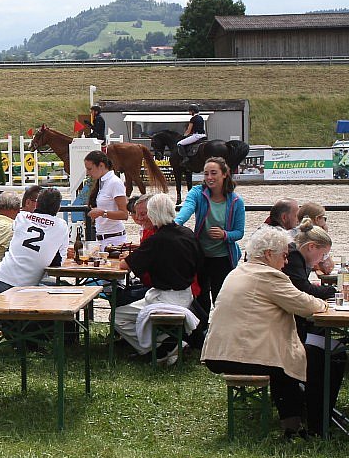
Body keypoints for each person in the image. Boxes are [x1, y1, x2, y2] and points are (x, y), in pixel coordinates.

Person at [202, 227, 327, 439]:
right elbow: (305, 305)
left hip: (218, 352)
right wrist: (325, 304)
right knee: (317, 357)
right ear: (269, 254)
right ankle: (315, 421)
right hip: (240, 355)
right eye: (284, 256)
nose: (286, 262)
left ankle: (294, 422)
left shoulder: (238, 271)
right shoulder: (268, 275)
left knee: (286, 358)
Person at [112, 193, 203, 364]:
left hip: (166, 298)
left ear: (154, 214)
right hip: (186, 294)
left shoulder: (156, 240)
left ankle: (154, 349)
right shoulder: (188, 233)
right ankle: (169, 344)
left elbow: (125, 265)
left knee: (117, 317)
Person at [0, 188, 69, 328]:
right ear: (58, 208)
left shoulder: (21, 217)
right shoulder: (61, 226)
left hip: (3, 278)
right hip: (30, 284)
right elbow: (58, 262)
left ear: (37, 204)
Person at [282, 219, 345, 434]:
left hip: (290, 327)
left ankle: (320, 414)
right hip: (288, 333)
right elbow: (304, 291)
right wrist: (334, 293)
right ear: (311, 247)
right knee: (334, 352)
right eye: (323, 254)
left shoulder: (295, 256)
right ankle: (319, 418)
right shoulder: (294, 258)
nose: (322, 259)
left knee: (333, 347)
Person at [174, 156, 245, 346]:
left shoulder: (236, 201)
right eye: (206, 174)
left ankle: (223, 338)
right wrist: (174, 224)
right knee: (200, 297)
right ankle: (200, 338)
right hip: (200, 256)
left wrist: (224, 235)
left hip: (223, 258)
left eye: (214, 173)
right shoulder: (198, 192)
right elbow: (187, 209)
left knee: (222, 299)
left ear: (225, 174)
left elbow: (239, 232)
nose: (209, 177)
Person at [84, 150, 128, 247]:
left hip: (114, 239)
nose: (87, 173)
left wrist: (102, 213)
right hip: (101, 237)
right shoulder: (101, 182)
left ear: (101, 165)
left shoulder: (115, 183)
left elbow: (124, 214)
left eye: (90, 169)